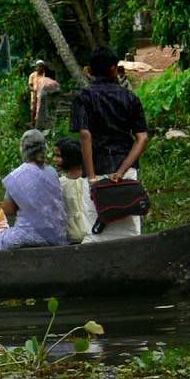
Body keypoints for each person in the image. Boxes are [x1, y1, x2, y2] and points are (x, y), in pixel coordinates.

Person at [70, 46, 149, 241]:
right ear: (114, 68)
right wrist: (122, 171)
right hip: (125, 170)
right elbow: (142, 138)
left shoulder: (83, 98)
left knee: (95, 228)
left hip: (96, 169)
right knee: (129, 229)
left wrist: (91, 177)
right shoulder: (130, 98)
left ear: (90, 70)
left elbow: (85, 135)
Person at [0, 130, 69, 251]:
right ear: (44, 148)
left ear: (23, 148)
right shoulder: (52, 171)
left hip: (29, 234)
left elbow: (9, 209)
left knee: (1, 239)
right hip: (55, 234)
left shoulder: (19, 174)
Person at [53, 138, 88, 244]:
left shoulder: (88, 181)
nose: (55, 159)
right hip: (71, 238)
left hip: (87, 235)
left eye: (58, 156)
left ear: (69, 158)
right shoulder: (59, 183)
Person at [28, 60, 47, 125]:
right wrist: (34, 90)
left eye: (41, 66)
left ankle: (41, 123)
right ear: (36, 67)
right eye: (38, 66)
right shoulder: (32, 75)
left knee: (41, 109)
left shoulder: (45, 75)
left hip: (43, 94)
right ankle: (32, 122)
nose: (40, 68)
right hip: (34, 94)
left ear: (43, 67)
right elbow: (30, 86)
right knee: (33, 109)